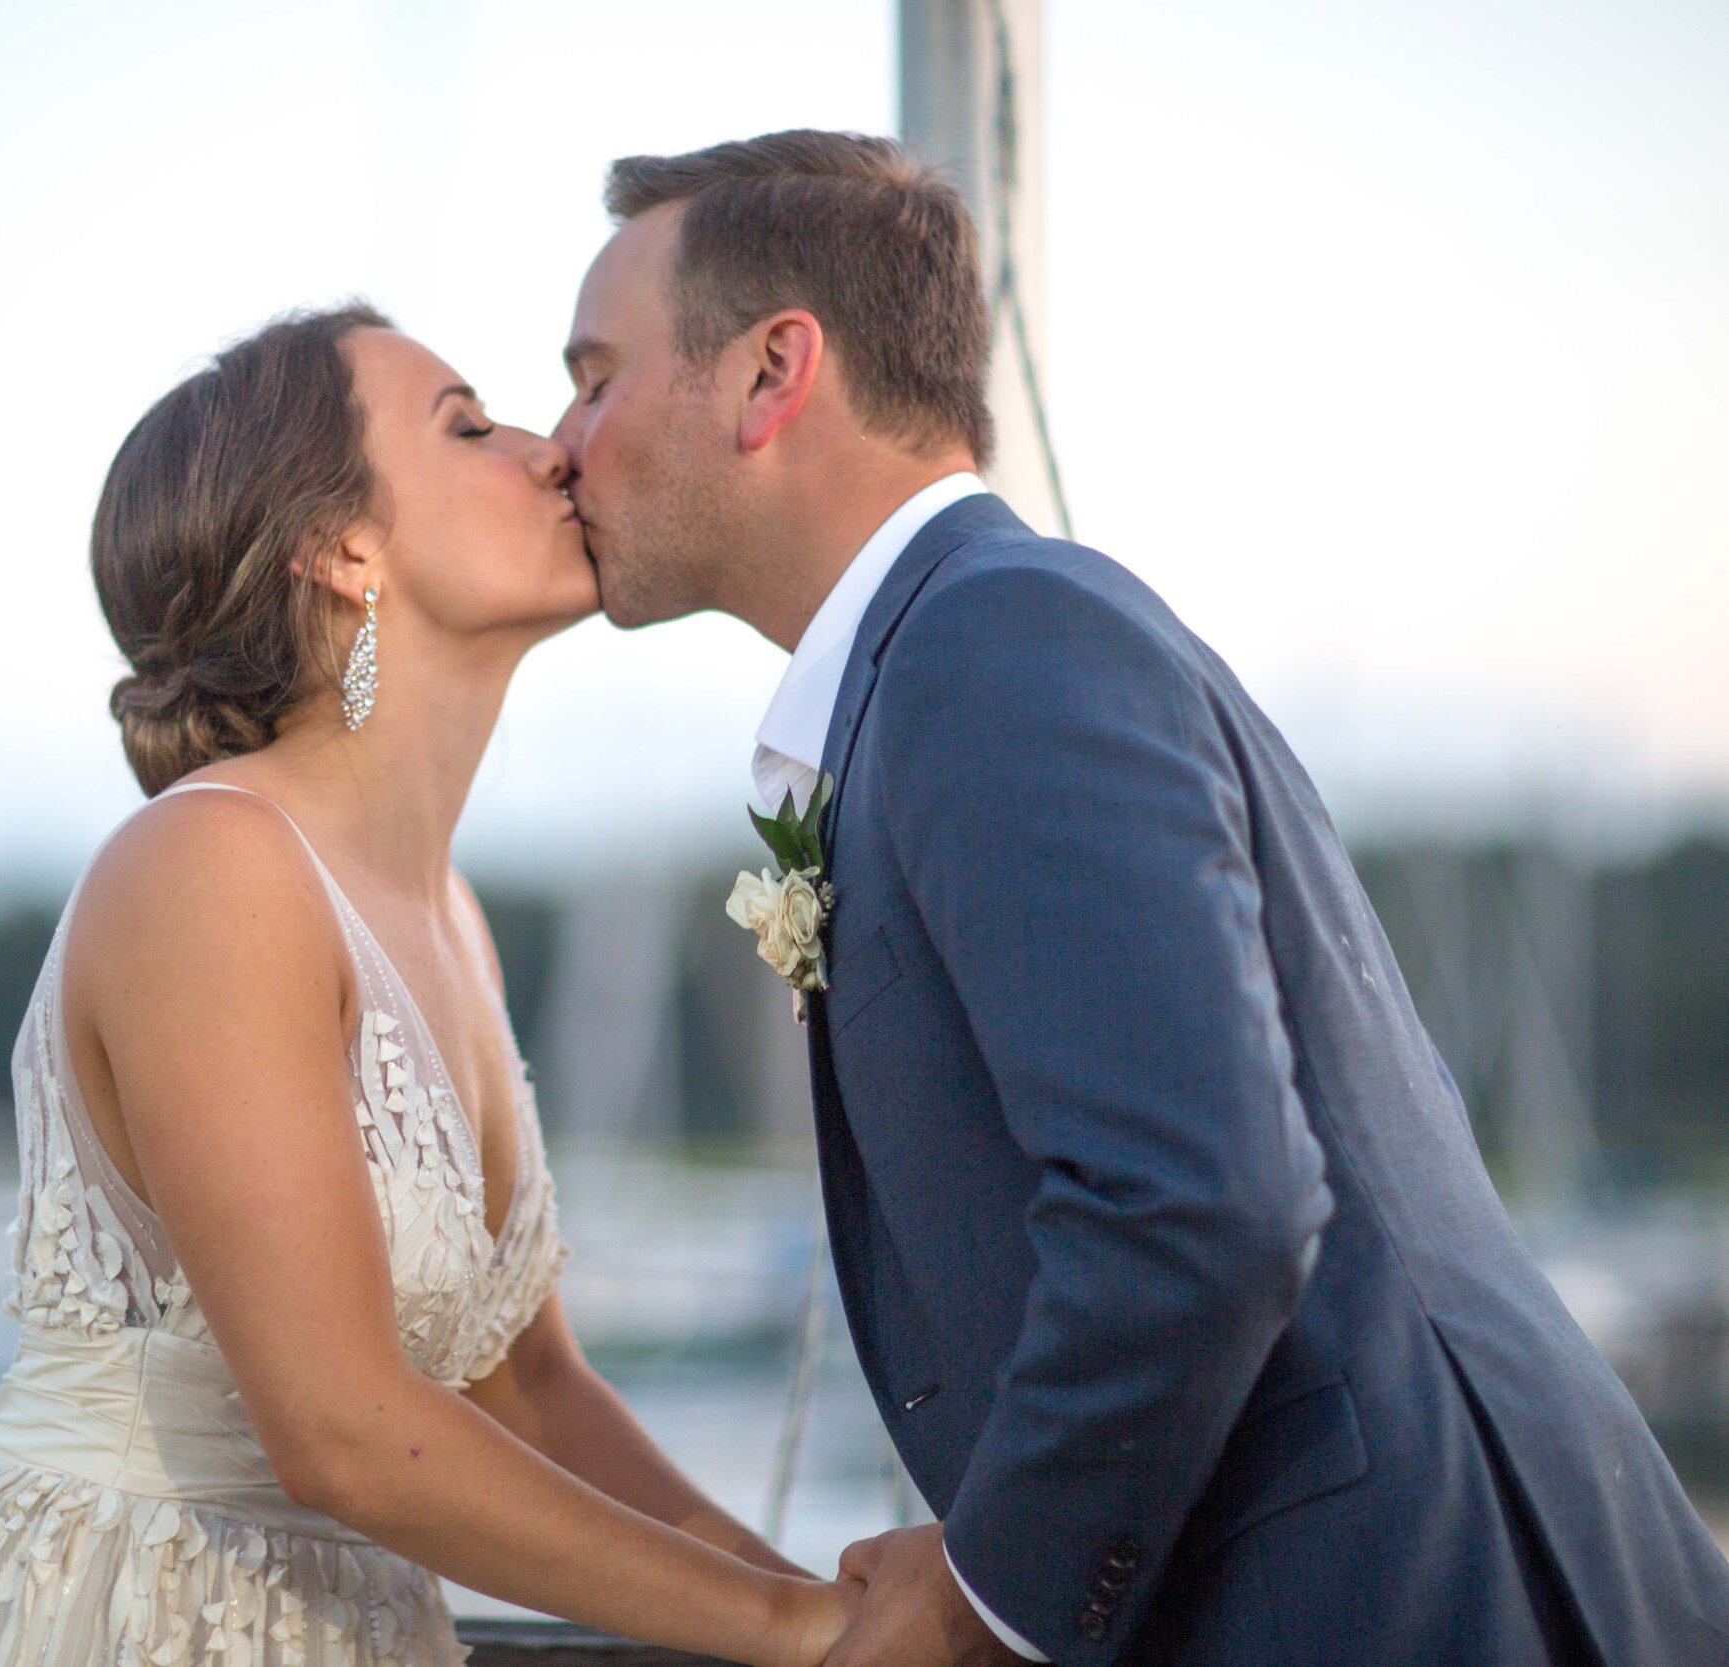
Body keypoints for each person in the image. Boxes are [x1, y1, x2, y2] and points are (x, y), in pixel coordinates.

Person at [550, 129, 1729, 1666]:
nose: (559, 440)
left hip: (1403, 1605)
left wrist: (988, 1597)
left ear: (775, 371)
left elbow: (1202, 1200)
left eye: (592, 375)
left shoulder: (996, 645)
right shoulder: (963, 649)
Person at [0, 304, 853, 1667]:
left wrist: (826, 1609)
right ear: (340, 547)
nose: (553, 453)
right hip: (107, 1618)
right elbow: (343, 1432)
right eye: (471, 427)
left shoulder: (456, 919)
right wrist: (798, 1634)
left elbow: (528, 1387)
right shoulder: (210, 866)